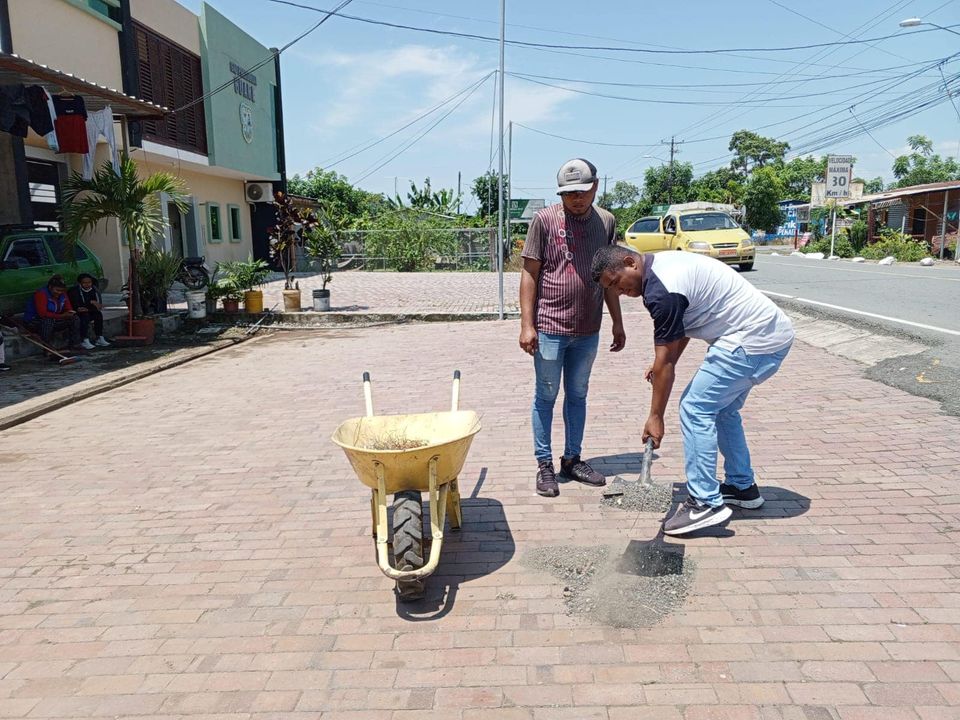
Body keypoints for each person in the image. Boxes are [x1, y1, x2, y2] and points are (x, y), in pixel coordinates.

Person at [591, 246, 794, 535]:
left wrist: (655, 416)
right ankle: (741, 486)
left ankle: (704, 502)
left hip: (752, 341)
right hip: (769, 336)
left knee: (695, 408)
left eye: (616, 283)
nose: (620, 292)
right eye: (612, 289)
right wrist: (663, 363)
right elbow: (680, 331)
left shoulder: (661, 290)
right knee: (722, 411)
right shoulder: (660, 268)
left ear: (629, 262)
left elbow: (666, 361)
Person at [520, 158, 626, 498]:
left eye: (582, 191)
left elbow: (610, 277)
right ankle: (544, 464)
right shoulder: (543, 221)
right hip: (549, 327)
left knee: (578, 395)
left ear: (595, 186)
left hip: (588, 328)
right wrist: (527, 325)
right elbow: (529, 274)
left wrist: (617, 322)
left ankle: (572, 459)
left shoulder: (606, 222)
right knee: (546, 396)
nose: (576, 199)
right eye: (569, 194)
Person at [23, 274, 83, 356]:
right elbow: (42, 314)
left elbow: (68, 307)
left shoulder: (63, 294)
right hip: (35, 321)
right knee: (48, 320)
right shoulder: (41, 293)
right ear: (50, 287)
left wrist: (70, 313)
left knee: (74, 318)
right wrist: (62, 316)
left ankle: (75, 344)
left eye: (61, 291)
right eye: (57, 290)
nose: (59, 293)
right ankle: (47, 348)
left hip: (55, 319)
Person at [68, 273, 110, 349]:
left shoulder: (93, 290)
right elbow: (75, 304)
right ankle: (84, 339)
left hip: (89, 310)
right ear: (80, 283)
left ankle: (99, 337)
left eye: (89, 282)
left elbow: (96, 304)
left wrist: (94, 305)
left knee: (98, 314)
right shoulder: (74, 291)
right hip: (78, 312)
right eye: (84, 283)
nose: (87, 285)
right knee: (84, 316)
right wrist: (89, 302)